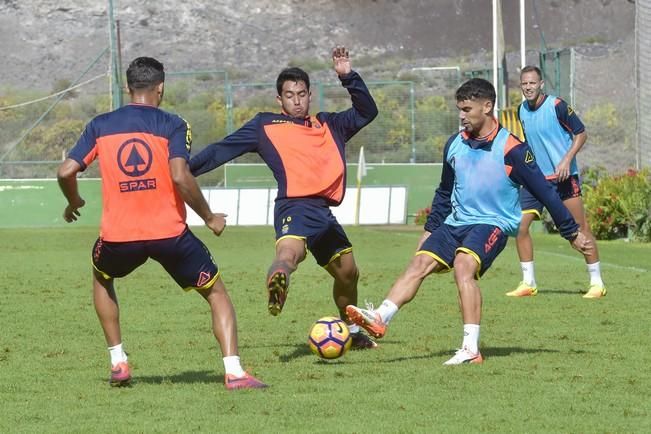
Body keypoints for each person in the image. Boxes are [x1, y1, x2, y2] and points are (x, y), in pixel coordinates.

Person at [346, 78, 593, 365]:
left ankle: (470, 348)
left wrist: (572, 232)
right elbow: (444, 192)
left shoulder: (512, 149)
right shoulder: (454, 144)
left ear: (487, 107)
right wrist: (429, 230)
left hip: (492, 223)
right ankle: (381, 317)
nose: (461, 115)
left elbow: (546, 192)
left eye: (467, 109)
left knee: (463, 266)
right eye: (459, 109)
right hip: (455, 223)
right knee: (418, 263)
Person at [57, 56, 266, 390]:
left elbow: (66, 171)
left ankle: (118, 362)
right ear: (161, 87)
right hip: (170, 234)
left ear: (128, 88)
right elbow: (180, 176)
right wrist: (210, 217)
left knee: (102, 276)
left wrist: (74, 201)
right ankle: (235, 372)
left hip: (119, 237)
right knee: (216, 294)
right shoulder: (173, 124)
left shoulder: (100, 125)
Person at [190, 46, 379, 349]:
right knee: (289, 255)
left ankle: (351, 333)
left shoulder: (330, 124)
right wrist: (184, 171)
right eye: (290, 95)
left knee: (348, 273)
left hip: (324, 213)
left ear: (309, 95)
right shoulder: (265, 125)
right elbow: (220, 150)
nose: (297, 101)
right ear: (280, 99)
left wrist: (348, 77)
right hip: (293, 206)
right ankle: (279, 278)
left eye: (302, 94)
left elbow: (367, 112)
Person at [506, 65, 606, 299]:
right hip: (536, 180)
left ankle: (597, 283)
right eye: (524, 83)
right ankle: (528, 282)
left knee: (580, 230)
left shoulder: (557, 106)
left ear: (541, 84)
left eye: (532, 83)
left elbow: (581, 133)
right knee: (519, 227)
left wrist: (566, 160)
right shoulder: (521, 110)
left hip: (564, 178)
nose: (528, 87)